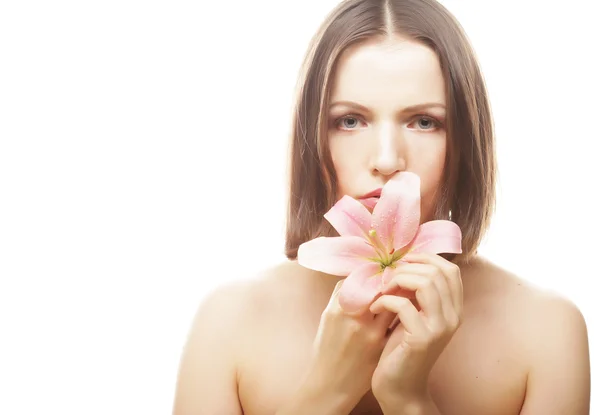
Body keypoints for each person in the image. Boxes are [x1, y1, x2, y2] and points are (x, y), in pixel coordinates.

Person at [172, 0, 591, 413]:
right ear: (314, 137)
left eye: (424, 122)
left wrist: (407, 400)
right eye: (350, 121)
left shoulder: (548, 331)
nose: (388, 160)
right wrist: (326, 390)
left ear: (463, 142)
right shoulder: (226, 323)